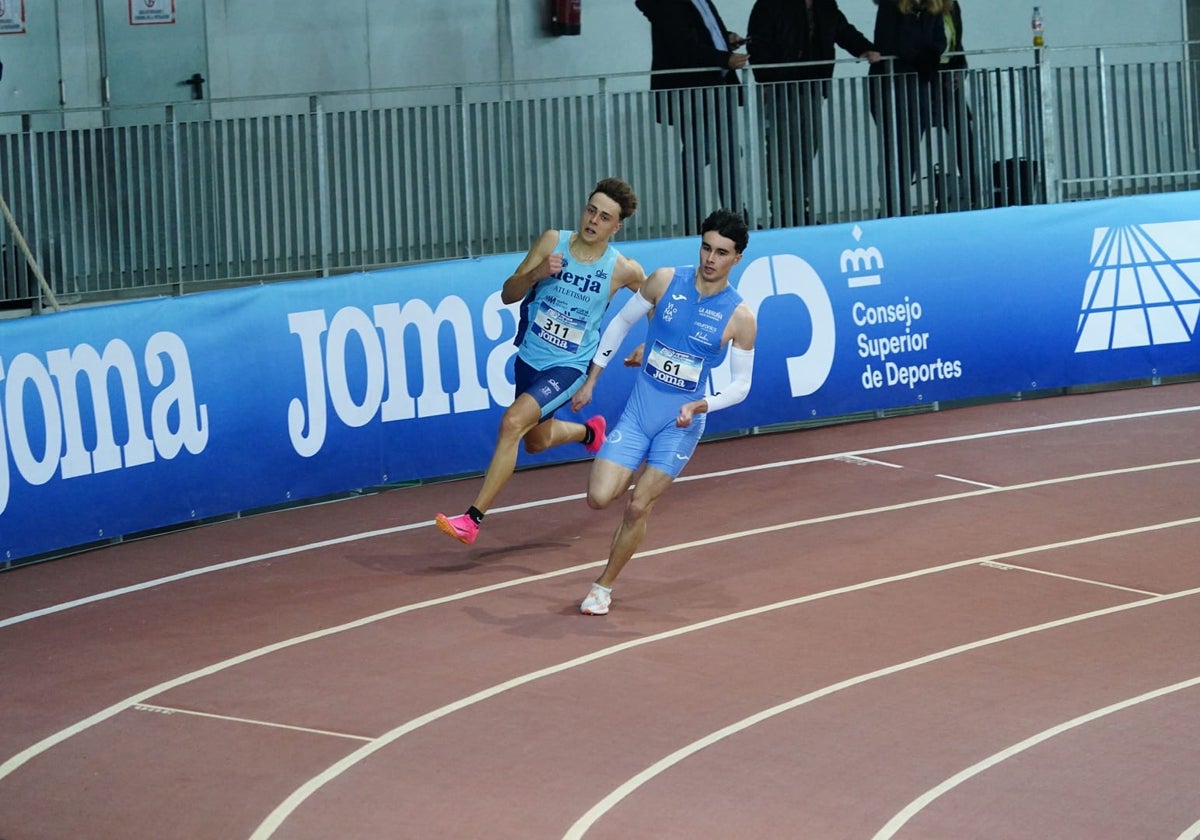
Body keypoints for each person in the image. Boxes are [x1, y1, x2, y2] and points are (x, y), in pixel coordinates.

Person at [434, 178, 646, 546]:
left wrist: (649, 345)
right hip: (529, 358)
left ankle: (472, 519)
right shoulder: (553, 241)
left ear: (617, 226)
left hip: (569, 368)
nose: (593, 220)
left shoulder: (623, 269)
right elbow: (507, 293)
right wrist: (537, 273)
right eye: (590, 209)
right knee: (533, 440)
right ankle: (589, 433)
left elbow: (655, 302)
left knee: (512, 422)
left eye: (604, 216)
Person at [571, 208, 757, 616]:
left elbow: (742, 386)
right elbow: (620, 324)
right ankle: (625, 461)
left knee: (638, 506)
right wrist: (592, 380)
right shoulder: (664, 280)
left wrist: (701, 403)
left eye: (721, 253)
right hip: (640, 411)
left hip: (681, 423)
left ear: (736, 258)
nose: (711, 259)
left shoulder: (741, 318)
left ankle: (603, 587)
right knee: (599, 498)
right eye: (706, 248)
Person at [746, 0, 880, 226]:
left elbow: (842, 29)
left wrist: (864, 48)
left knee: (808, 148)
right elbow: (758, 44)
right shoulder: (769, 4)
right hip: (781, 87)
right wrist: (768, 80)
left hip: (813, 85)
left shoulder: (825, 4)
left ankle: (800, 207)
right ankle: (782, 210)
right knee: (783, 151)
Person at [636, 0, 750, 230]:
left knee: (725, 152)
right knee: (700, 152)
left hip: (718, 85)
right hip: (693, 89)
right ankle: (695, 219)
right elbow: (682, 44)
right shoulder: (666, 5)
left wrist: (723, 38)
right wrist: (723, 59)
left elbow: (698, 34)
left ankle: (735, 215)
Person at [868, 0, 947, 217]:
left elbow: (940, 39)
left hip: (918, 82)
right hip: (890, 83)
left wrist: (931, 55)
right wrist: (918, 57)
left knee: (911, 146)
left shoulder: (933, 6)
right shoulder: (890, 5)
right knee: (894, 146)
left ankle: (900, 203)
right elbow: (887, 41)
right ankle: (890, 204)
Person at [935, 0, 981, 210]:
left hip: (948, 82)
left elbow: (956, 43)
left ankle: (974, 195)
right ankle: (894, 205)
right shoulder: (917, 7)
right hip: (922, 79)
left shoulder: (952, 6)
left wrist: (958, 68)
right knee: (910, 143)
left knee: (964, 134)